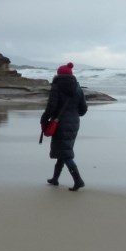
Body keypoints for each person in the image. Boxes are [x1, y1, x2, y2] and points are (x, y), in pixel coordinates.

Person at [41, 62, 88, 191]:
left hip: (60, 123)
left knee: (65, 153)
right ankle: (55, 178)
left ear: (58, 74)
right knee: (64, 149)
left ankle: (78, 180)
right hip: (74, 122)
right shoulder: (78, 87)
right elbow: (84, 109)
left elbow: (51, 106)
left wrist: (44, 118)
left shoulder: (56, 86)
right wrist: (74, 114)